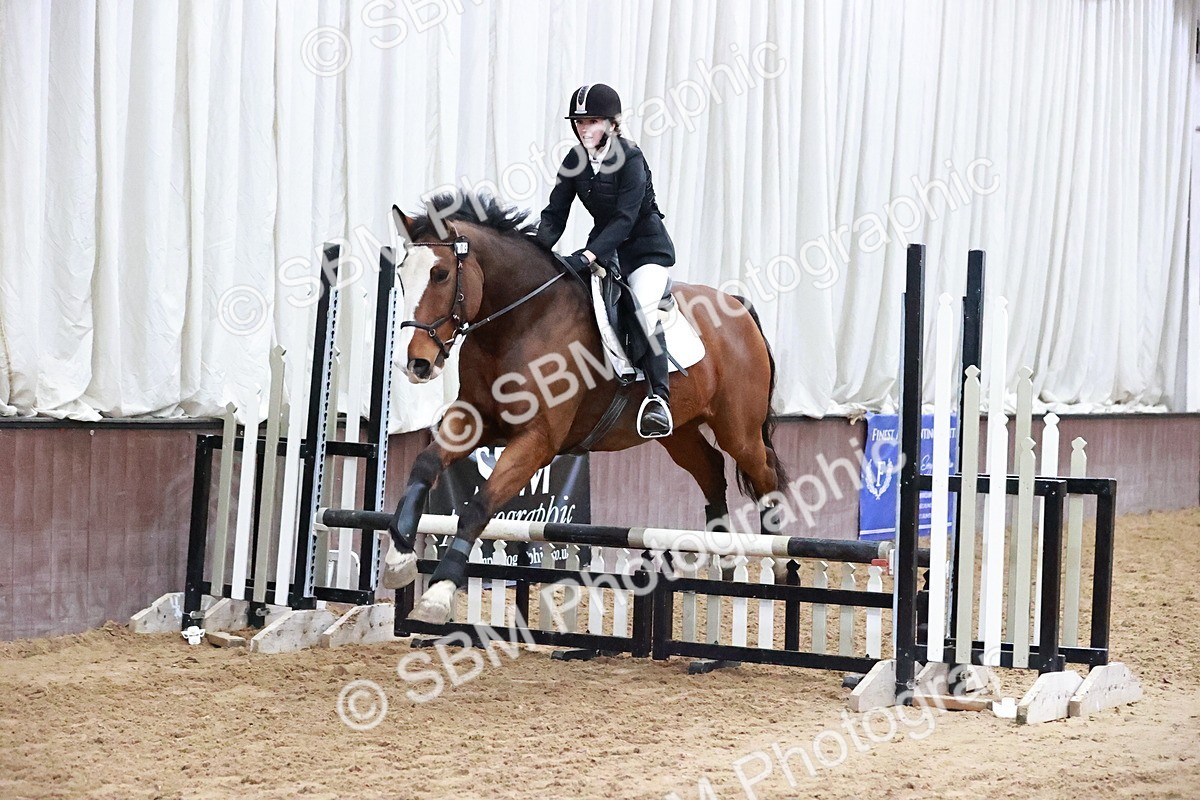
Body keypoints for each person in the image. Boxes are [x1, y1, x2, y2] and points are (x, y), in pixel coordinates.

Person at [535, 83, 677, 438]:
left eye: (592, 121)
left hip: (643, 252)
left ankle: (659, 398)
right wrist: (535, 252)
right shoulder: (575, 161)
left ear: (612, 123)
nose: (584, 129)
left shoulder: (630, 159)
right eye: (579, 122)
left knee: (642, 307)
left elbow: (625, 219)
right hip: (605, 249)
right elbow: (555, 214)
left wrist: (589, 254)